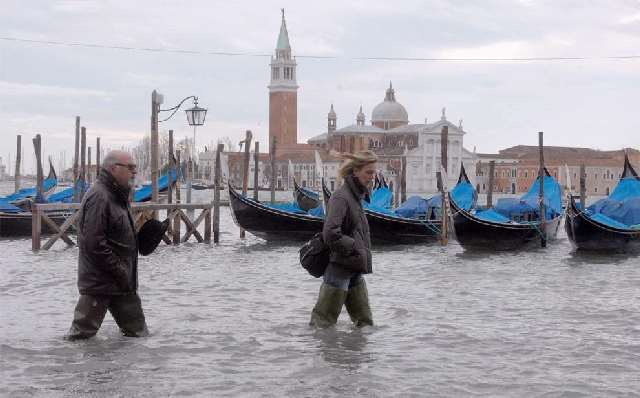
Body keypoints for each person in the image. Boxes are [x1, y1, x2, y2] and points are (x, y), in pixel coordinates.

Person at [66, 150, 149, 340]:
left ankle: (133, 370)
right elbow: (92, 243)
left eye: (135, 168)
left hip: (122, 283)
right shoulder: (99, 197)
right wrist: (119, 269)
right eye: (130, 168)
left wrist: (143, 241)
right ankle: (79, 370)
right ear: (113, 168)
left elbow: (118, 235)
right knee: (80, 339)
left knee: (138, 336)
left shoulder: (118, 195)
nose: (134, 172)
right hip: (100, 284)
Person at [310, 150, 377, 328]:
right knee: (322, 326)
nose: (372, 177)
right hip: (338, 271)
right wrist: (354, 247)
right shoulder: (341, 197)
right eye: (368, 172)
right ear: (355, 171)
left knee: (365, 325)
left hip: (355, 269)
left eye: (374, 172)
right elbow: (330, 233)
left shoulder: (356, 197)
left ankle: (358, 356)